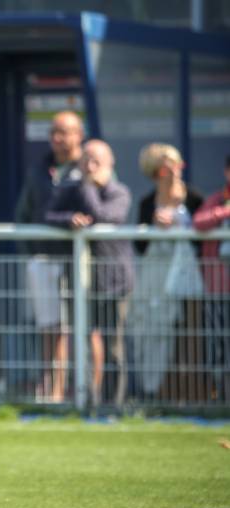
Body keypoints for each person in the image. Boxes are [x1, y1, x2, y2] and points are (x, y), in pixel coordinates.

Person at [45, 139, 134, 410]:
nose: (89, 166)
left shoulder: (119, 192)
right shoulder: (69, 189)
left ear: (110, 163)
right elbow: (47, 214)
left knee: (113, 346)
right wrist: (69, 219)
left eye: (96, 161)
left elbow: (103, 215)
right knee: (81, 341)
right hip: (81, 281)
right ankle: (87, 403)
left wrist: (86, 187)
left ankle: (114, 405)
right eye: (86, 160)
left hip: (115, 280)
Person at [15, 111, 83, 403]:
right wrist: (33, 253)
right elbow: (25, 213)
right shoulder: (39, 169)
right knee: (51, 329)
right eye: (54, 131)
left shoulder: (90, 164)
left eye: (64, 132)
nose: (57, 138)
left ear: (79, 135)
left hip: (84, 263)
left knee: (88, 328)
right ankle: (54, 393)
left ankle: (90, 395)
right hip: (44, 260)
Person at [131, 144, 205, 398]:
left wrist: (182, 225)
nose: (174, 171)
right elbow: (139, 247)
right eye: (166, 168)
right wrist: (152, 226)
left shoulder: (195, 198)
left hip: (190, 278)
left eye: (177, 165)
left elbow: (203, 241)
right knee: (158, 332)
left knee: (191, 334)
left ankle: (193, 392)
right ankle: (161, 392)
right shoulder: (146, 204)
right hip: (157, 280)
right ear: (154, 173)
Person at [193, 155, 230, 402]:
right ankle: (222, 396)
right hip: (219, 289)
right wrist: (224, 211)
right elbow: (198, 222)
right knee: (219, 346)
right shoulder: (217, 200)